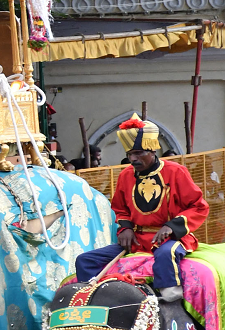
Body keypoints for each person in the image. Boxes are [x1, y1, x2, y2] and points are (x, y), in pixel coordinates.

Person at [74, 114, 208, 302]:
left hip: (171, 238)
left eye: (138, 153)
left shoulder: (176, 172)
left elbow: (198, 207)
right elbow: (119, 208)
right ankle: (94, 299)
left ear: (153, 150)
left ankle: (171, 298)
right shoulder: (125, 175)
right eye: (130, 154)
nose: (133, 158)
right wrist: (126, 228)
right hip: (137, 239)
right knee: (85, 260)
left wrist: (171, 226)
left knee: (165, 254)